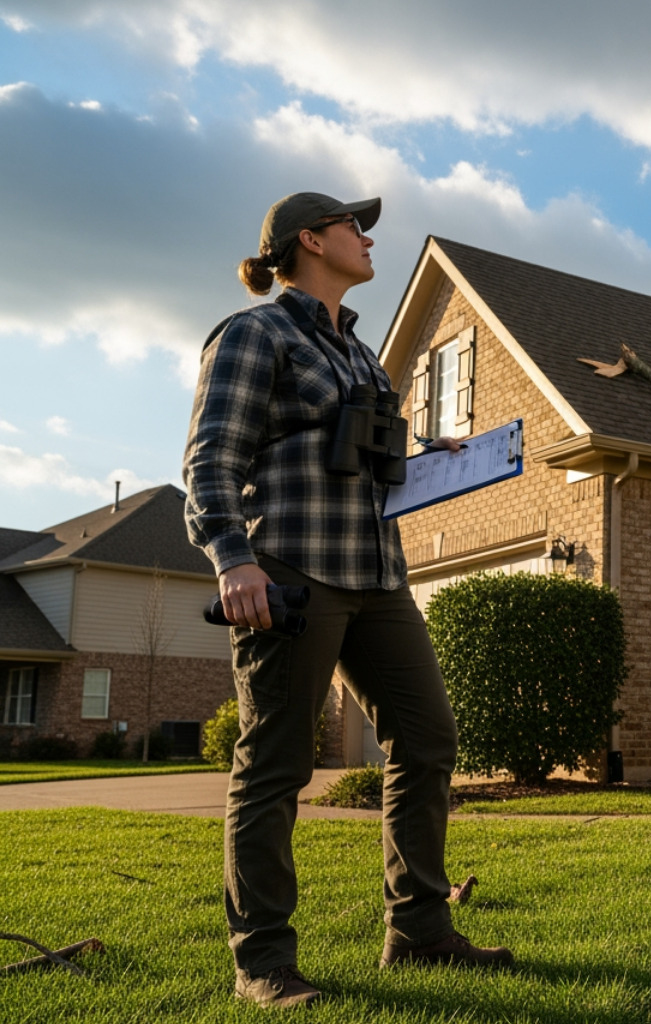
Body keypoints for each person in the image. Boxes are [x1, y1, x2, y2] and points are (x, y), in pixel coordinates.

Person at [184, 192, 510, 1009]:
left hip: (378, 574)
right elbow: (211, 458)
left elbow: (371, 455)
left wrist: (439, 454)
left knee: (430, 738)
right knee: (277, 763)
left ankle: (421, 934)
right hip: (291, 571)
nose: (368, 241)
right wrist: (232, 558)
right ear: (310, 240)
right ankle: (262, 962)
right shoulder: (253, 334)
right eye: (353, 228)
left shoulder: (364, 359)